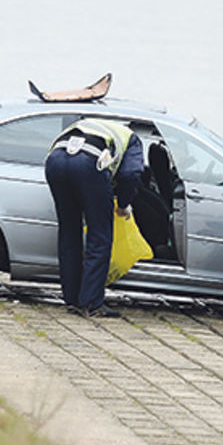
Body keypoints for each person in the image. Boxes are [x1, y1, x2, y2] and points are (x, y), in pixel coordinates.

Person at [45, 117, 144, 318]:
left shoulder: (90, 124)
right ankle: (91, 303)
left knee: (69, 232)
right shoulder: (132, 139)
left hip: (55, 162)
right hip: (88, 165)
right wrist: (124, 204)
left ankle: (72, 299)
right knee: (99, 237)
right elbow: (131, 174)